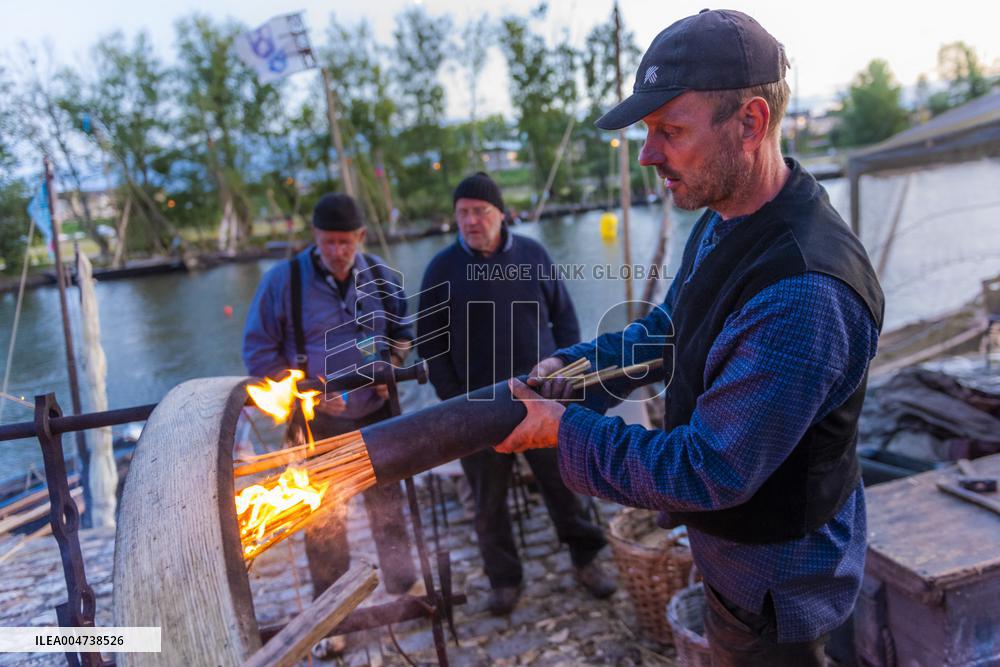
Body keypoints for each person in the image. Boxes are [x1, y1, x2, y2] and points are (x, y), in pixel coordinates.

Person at [495, 10, 884, 666]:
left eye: (669, 131)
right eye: (649, 131)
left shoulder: (804, 290)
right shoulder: (724, 216)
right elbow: (671, 329)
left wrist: (564, 430)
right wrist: (579, 362)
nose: (648, 155)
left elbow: (707, 468)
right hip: (737, 566)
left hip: (777, 594)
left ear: (751, 123)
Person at [416, 172, 615, 616]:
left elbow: (565, 320)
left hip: (540, 400)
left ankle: (587, 560)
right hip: (475, 410)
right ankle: (504, 581)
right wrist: (454, 399)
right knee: (487, 506)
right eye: (462, 212)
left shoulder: (533, 255)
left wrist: (564, 373)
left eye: (479, 212)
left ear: (500, 213)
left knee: (567, 487)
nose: (470, 221)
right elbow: (429, 343)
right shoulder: (441, 271)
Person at [242, 193, 417, 605]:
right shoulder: (282, 282)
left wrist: (390, 364)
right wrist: (309, 394)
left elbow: (405, 332)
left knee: (388, 503)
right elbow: (258, 353)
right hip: (315, 423)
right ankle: (333, 608)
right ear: (314, 237)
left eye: (346, 242)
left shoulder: (379, 275)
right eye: (328, 242)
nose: (338, 252)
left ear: (360, 236)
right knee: (322, 519)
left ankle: (406, 588)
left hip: (377, 415)